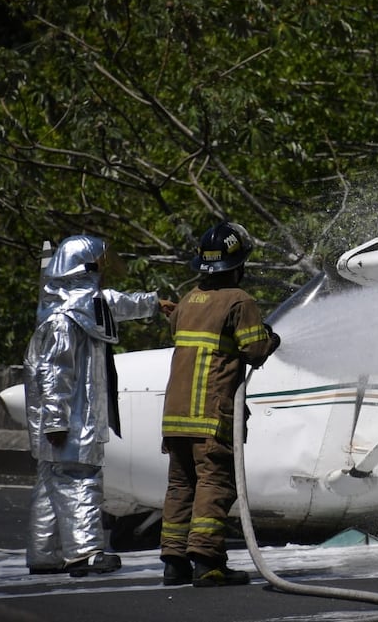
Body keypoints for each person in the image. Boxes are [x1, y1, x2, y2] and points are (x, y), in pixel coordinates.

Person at [24, 235, 175, 576]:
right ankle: (85, 553)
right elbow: (54, 374)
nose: (106, 271)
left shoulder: (82, 307)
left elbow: (117, 303)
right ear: (85, 268)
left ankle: (44, 553)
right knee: (79, 476)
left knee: (51, 481)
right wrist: (56, 422)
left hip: (66, 416)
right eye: (102, 264)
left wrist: (154, 303)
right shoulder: (64, 320)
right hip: (69, 419)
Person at [160, 222, 280, 588]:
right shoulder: (239, 301)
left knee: (181, 486)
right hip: (210, 414)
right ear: (238, 265)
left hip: (175, 414)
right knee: (214, 483)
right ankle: (207, 561)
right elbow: (255, 350)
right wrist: (272, 337)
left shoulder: (188, 300)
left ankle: (174, 562)